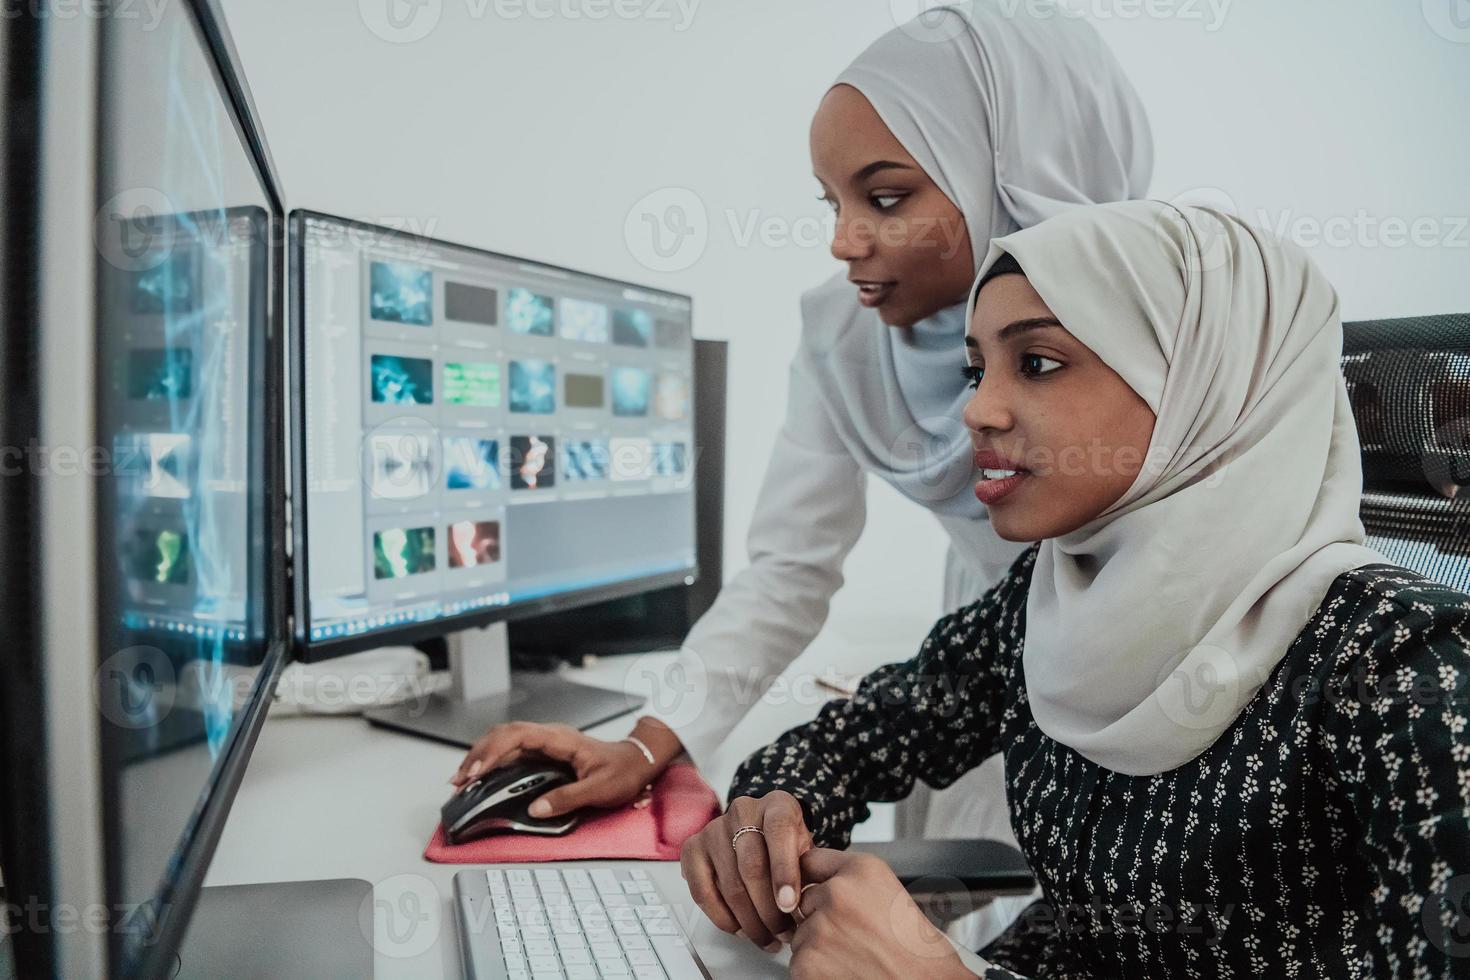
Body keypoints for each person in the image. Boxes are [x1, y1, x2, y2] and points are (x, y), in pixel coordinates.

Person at [452, 0, 1151, 950]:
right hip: (980, 661)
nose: (844, 240)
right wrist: (650, 740)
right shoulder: (842, 338)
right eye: (832, 203)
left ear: (1017, 177)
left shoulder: (1168, 351)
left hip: (1130, 691)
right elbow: (789, 567)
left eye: (888, 198)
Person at [680, 199, 1470, 977]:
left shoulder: (1405, 660)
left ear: (1199, 382)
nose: (977, 410)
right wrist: (770, 817)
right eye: (975, 368)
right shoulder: (1049, 592)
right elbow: (861, 735)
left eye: (1038, 363)